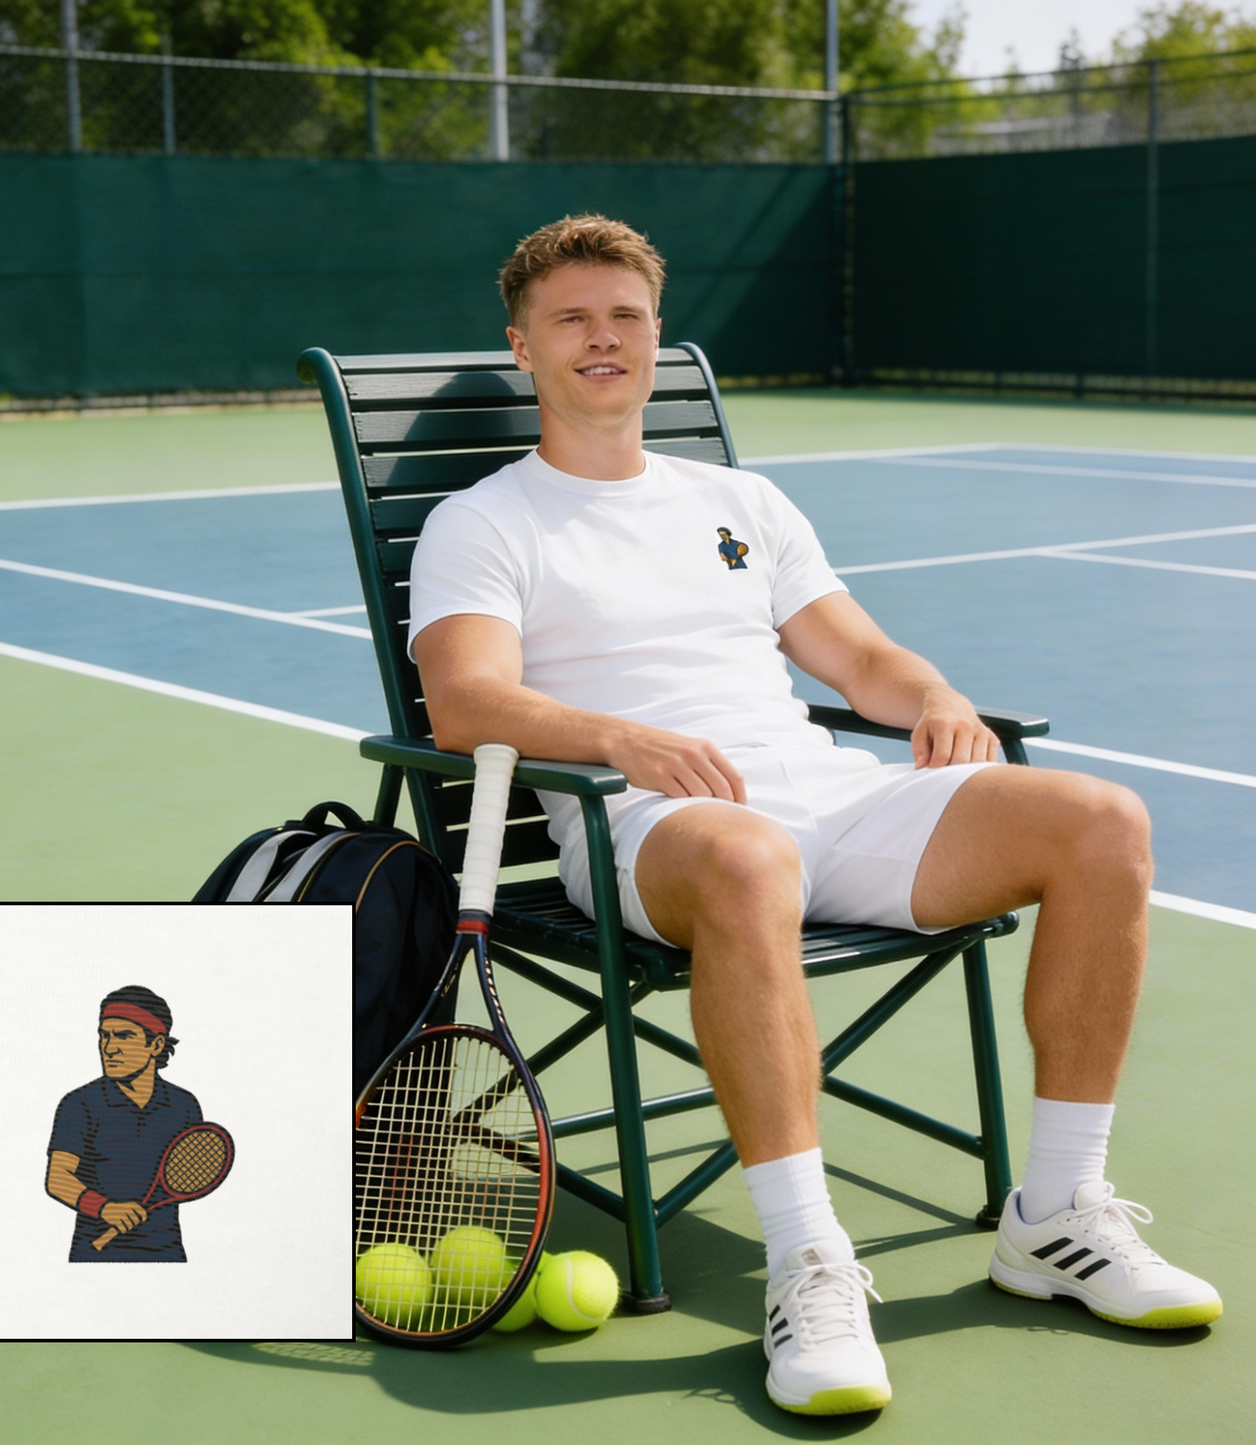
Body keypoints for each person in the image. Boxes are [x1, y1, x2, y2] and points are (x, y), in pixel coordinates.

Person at [407, 214, 1222, 1415]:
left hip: (827, 799)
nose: (602, 337)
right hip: (644, 824)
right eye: (570, 318)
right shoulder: (483, 520)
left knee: (1099, 816)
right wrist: (619, 736)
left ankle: (1054, 1213)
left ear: (656, 335)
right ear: (521, 347)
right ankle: (806, 1257)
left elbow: (860, 659)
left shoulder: (740, 499)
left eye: (624, 315)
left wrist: (934, 698)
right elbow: (464, 703)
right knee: (746, 860)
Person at [45, 986, 203, 1262]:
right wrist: (104, 1208)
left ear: (156, 1045)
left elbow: (193, 1178)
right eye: (104, 1036)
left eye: (124, 1036)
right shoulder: (79, 1104)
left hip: (167, 1255)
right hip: (92, 1257)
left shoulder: (184, 1106)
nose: (109, 1048)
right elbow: (58, 1179)